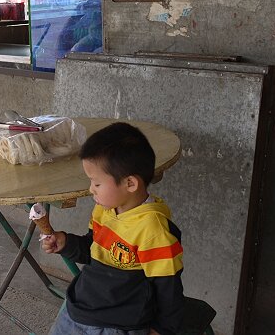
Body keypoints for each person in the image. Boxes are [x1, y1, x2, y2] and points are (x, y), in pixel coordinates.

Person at [42, 122, 184, 335]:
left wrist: (163, 329)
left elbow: (168, 287)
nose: (91, 190)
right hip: (79, 309)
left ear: (130, 184)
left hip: (119, 324)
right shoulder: (105, 211)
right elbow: (94, 251)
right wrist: (67, 243)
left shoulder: (153, 231)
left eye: (96, 183)